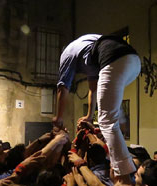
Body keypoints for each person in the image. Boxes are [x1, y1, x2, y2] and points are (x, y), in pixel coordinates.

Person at [53, 34, 141, 178]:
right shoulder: (87, 49)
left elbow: (62, 87)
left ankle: (124, 174)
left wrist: (59, 117)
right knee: (109, 107)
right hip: (134, 62)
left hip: (115, 60)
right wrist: (88, 116)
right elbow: (93, 89)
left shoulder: (67, 54)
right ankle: (121, 121)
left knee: (107, 121)